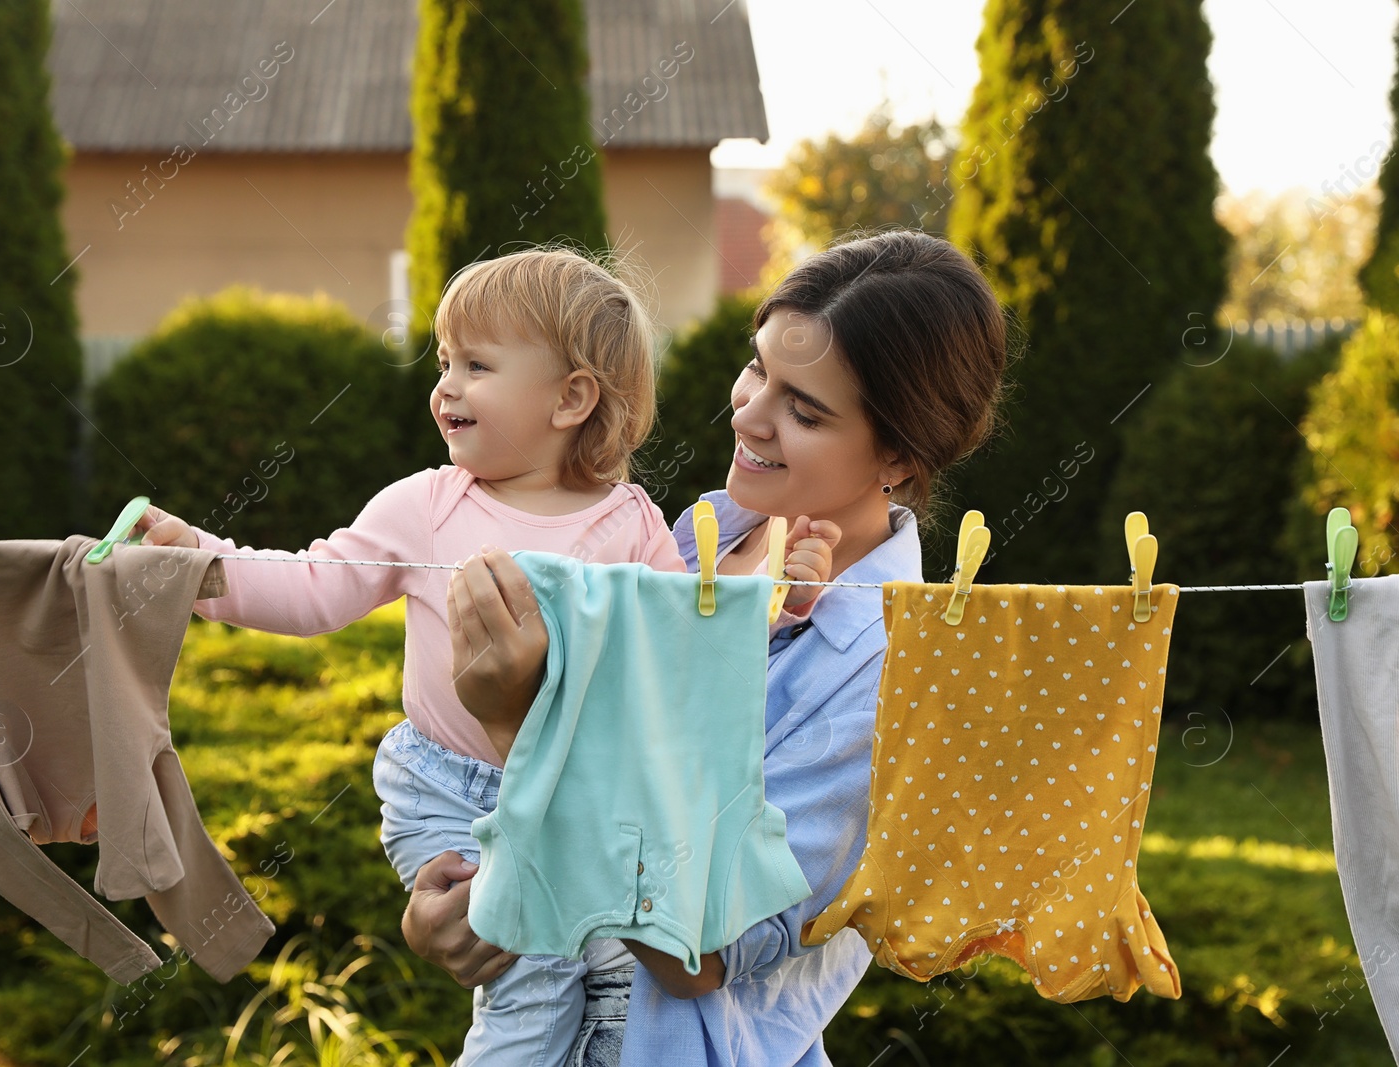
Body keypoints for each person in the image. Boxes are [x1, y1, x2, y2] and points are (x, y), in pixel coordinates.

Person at [131, 246, 840, 1066]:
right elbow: (314, 586)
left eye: (476, 364)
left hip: (583, 792)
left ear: (572, 397)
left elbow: (681, 654)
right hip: (449, 787)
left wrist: (771, 599)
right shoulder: (424, 505)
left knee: (621, 970)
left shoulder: (631, 523)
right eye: (443, 362)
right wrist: (199, 563)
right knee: (531, 976)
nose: (445, 387)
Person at [403, 230, 1012, 1066]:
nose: (749, 412)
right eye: (758, 367)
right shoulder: (675, 545)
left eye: (804, 409)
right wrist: (451, 899)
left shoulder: (885, 673)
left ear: (900, 456)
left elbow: (701, 953)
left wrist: (522, 732)